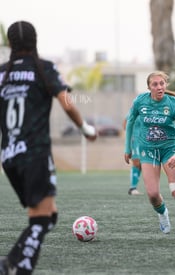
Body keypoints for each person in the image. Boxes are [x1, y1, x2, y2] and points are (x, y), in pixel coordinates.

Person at [0, 21, 97, 275]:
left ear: (11, 44)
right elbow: (66, 103)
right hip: (34, 153)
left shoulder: (2, 73)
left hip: (9, 156)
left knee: (47, 215)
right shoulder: (43, 69)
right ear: (35, 41)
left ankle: (10, 261)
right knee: (41, 219)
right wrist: (85, 129)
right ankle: (20, 267)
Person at [123, 71, 175, 240]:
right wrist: (127, 149)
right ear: (149, 87)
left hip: (169, 151)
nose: (159, 87)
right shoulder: (140, 101)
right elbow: (129, 122)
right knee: (152, 195)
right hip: (148, 151)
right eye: (155, 84)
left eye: (162, 84)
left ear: (165, 85)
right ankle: (163, 214)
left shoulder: (173, 104)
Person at [123, 117, 142, 195]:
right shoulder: (134, 110)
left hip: (143, 140)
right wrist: (130, 135)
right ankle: (132, 188)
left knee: (141, 164)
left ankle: (134, 187)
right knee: (136, 162)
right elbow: (125, 123)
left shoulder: (147, 110)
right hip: (135, 140)